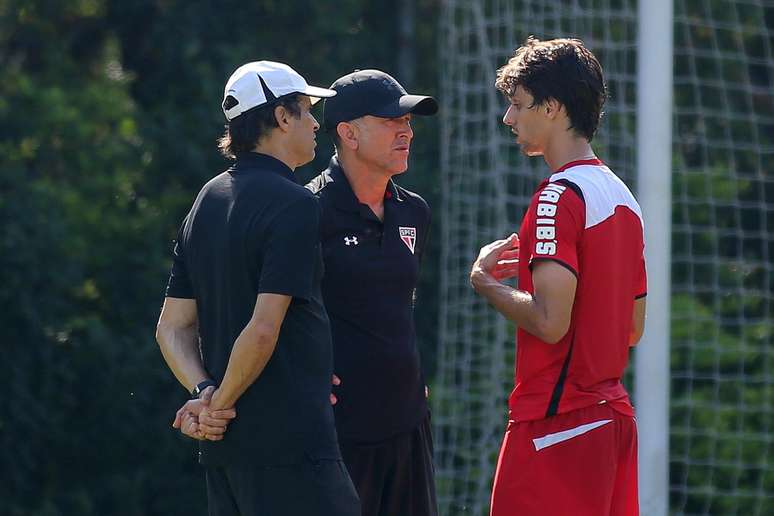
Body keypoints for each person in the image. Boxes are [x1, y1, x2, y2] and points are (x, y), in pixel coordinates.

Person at [155, 60, 360, 516]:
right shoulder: (295, 204)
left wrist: (204, 393)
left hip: (227, 453)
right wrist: (218, 404)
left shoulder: (206, 199)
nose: (314, 124)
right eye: (306, 111)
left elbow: (170, 328)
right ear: (281, 117)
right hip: (290, 448)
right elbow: (264, 328)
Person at [469, 38, 647, 516]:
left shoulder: (556, 196)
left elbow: (551, 322)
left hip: (557, 424)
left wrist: (485, 282)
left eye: (517, 104)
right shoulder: (623, 197)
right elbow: (632, 328)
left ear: (551, 108)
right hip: (613, 424)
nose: (508, 118)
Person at [304, 69, 439, 516]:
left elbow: (398, 307)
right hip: (339, 437)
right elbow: (271, 313)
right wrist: (302, 375)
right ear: (347, 133)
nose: (406, 130)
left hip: (409, 427)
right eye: (389, 120)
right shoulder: (307, 212)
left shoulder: (413, 210)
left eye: (408, 121)